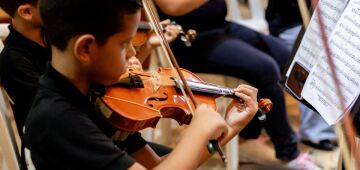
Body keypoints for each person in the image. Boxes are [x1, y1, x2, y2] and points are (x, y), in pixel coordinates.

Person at [23, 0, 259, 169]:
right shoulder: (59, 120)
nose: (134, 52)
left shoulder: (103, 96)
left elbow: (159, 165)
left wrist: (227, 130)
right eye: (125, 44)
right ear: (85, 48)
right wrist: (196, 134)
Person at [0, 0, 180, 158]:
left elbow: (108, 71)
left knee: (174, 156)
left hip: (99, 129)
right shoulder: (22, 59)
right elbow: (58, 117)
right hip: (68, 144)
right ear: (27, 12)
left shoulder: (55, 40)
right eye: (124, 45)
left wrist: (144, 48)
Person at [154, 0, 320, 169]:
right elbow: (173, 6)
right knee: (265, 68)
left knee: (285, 56)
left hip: (218, 26)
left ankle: (246, 137)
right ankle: (288, 152)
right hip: (187, 39)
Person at [266, 0, 338, 151]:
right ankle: (315, 132)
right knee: (320, 60)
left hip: (330, 15)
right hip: (293, 22)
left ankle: (340, 122)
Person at [0, 0, 51, 140]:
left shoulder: (53, 33)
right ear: (27, 12)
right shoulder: (13, 61)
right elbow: (50, 112)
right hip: (52, 145)